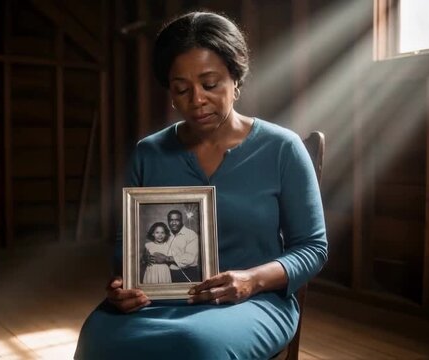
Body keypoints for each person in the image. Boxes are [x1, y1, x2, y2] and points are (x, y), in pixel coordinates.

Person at [75, 11, 327, 359]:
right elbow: (127, 243)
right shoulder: (148, 153)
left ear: (235, 80)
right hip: (158, 299)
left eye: (210, 84)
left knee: (198, 348)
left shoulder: (283, 148)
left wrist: (251, 280)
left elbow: (313, 247)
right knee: (97, 336)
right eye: (182, 89)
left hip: (254, 301)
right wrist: (123, 283)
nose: (196, 100)